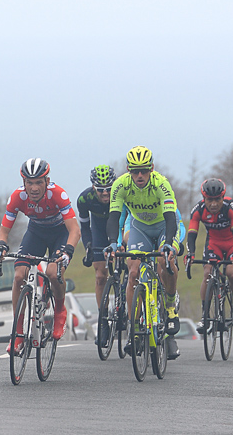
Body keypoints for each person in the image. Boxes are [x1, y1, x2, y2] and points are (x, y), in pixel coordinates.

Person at [0, 158, 81, 353]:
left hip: (60, 234)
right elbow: (3, 231)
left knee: (52, 273)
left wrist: (68, 251)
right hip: (37, 233)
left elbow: (74, 230)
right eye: (29, 183)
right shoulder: (17, 197)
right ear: (23, 183)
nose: (34, 188)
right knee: (18, 277)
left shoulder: (58, 194)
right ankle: (17, 333)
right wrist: (1, 245)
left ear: (47, 181)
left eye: (39, 182)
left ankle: (59, 310)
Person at [103, 145, 181, 360]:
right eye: (135, 171)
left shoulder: (161, 184)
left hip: (163, 227)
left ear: (152, 169)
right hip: (140, 228)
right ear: (128, 170)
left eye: (144, 170)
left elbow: (170, 218)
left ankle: (171, 306)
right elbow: (114, 217)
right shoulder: (120, 185)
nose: (139, 175)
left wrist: (168, 244)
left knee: (166, 262)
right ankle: (133, 327)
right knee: (133, 271)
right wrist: (112, 243)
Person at [184, 178, 233, 333]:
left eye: (217, 199)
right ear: (204, 199)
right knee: (208, 273)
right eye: (210, 200)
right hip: (214, 243)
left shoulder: (231, 208)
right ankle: (205, 315)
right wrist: (190, 254)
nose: (214, 204)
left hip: (232, 243)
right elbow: (191, 235)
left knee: (231, 272)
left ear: (223, 197)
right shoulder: (198, 210)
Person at [76, 165, 116, 347]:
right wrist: (88, 247)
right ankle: (103, 321)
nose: (105, 193)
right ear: (94, 187)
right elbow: (85, 227)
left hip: (118, 226)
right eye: (101, 190)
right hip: (98, 230)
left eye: (109, 188)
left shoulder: (121, 194)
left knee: (132, 267)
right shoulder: (85, 199)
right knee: (100, 276)